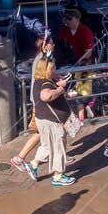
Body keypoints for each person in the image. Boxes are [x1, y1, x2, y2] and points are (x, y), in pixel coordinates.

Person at [25, 56, 78, 188]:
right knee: (58, 146)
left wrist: (59, 85)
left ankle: (34, 164)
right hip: (51, 122)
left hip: (43, 119)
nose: (55, 69)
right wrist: (60, 89)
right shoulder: (46, 84)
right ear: (46, 69)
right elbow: (46, 96)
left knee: (48, 146)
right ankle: (58, 175)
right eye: (53, 67)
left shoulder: (39, 81)